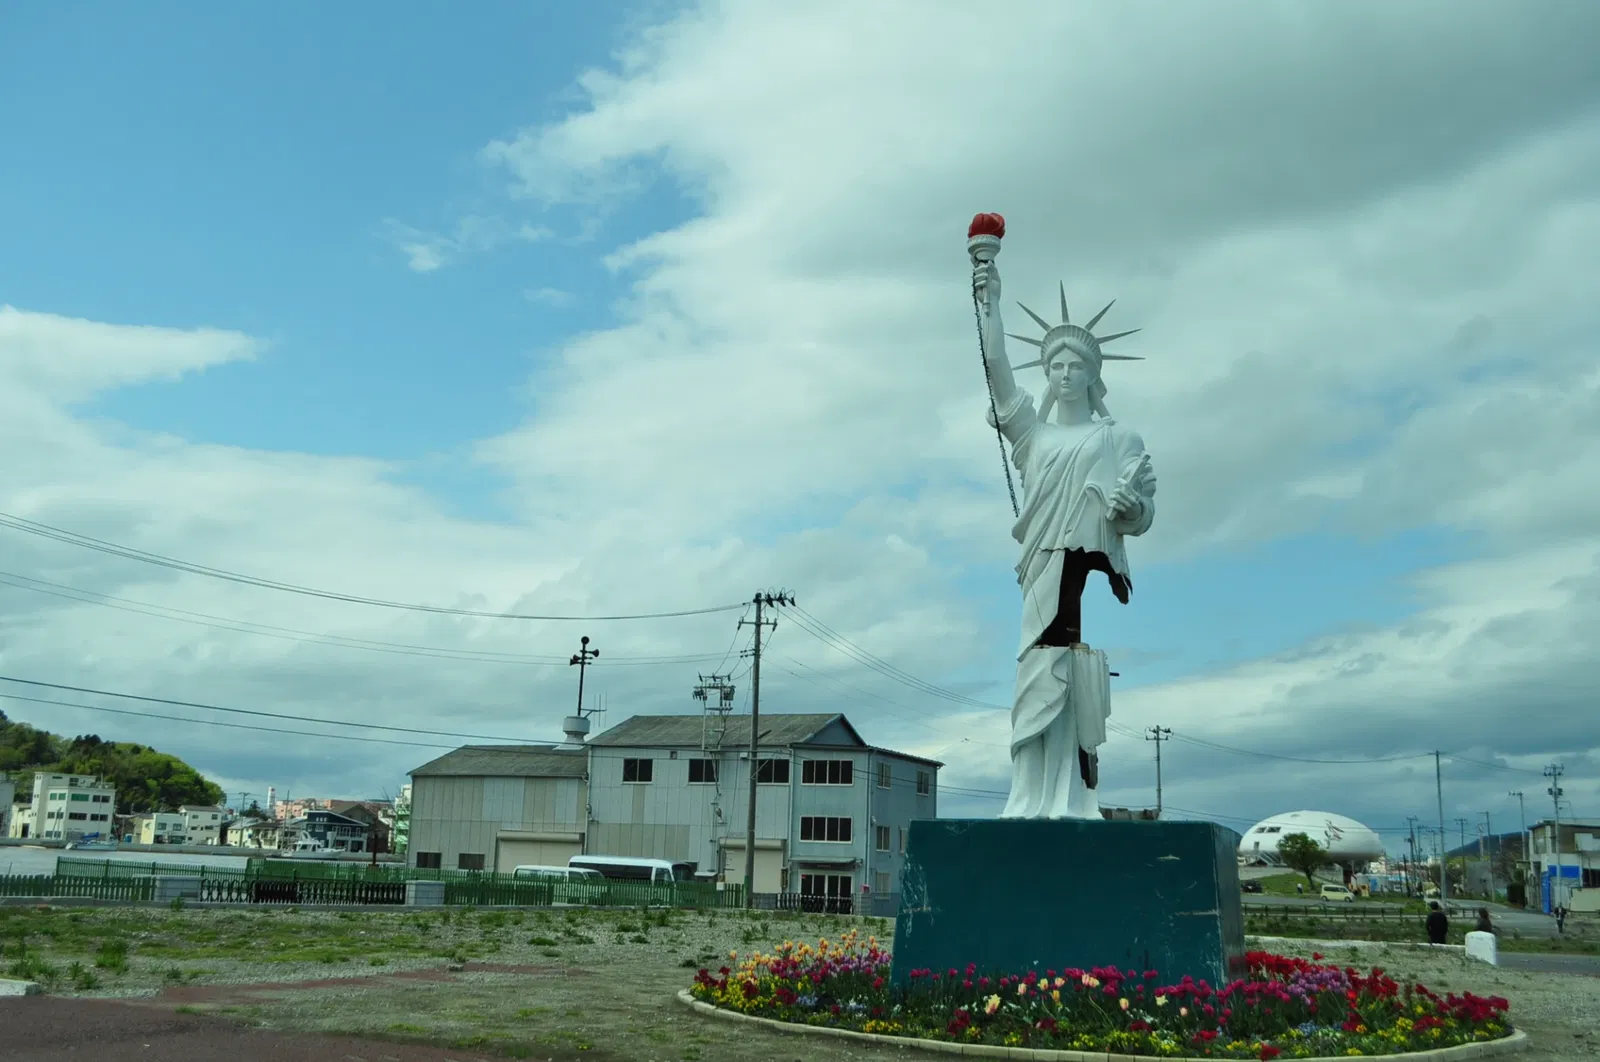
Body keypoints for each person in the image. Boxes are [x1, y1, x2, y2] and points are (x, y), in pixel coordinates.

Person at [973, 258, 1156, 820]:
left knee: (1063, 662)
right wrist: (990, 302)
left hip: (1082, 563)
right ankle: (1030, 795)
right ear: (1046, 373)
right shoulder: (1034, 435)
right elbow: (997, 367)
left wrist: (1130, 509)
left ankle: (1072, 797)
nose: (1064, 373)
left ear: (1093, 374)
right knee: (1035, 664)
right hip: (1039, 562)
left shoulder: (1118, 436)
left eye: (1076, 364)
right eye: (1055, 364)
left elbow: (1142, 509)